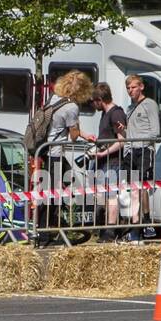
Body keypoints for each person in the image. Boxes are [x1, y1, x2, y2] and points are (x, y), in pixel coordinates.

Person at [38, 70, 93, 246]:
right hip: (55, 154)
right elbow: (74, 135)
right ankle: (46, 234)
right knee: (54, 195)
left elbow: (61, 126)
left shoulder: (54, 98)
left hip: (46, 151)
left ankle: (54, 228)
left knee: (55, 192)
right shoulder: (72, 107)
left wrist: (85, 135)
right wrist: (79, 126)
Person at [86, 83, 128, 242]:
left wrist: (103, 152)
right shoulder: (105, 114)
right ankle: (106, 228)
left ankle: (110, 231)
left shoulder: (116, 114)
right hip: (104, 161)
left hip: (113, 162)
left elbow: (122, 141)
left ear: (100, 99)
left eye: (93, 101)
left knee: (111, 196)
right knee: (102, 195)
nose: (92, 104)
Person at [122, 74, 160, 243]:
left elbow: (155, 131)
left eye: (134, 87)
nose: (131, 91)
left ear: (141, 87)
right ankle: (135, 224)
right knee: (133, 188)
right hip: (131, 151)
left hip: (145, 149)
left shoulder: (150, 104)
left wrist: (141, 141)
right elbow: (129, 132)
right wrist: (128, 147)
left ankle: (147, 220)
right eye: (128, 88)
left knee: (143, 186)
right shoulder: (129, 108)